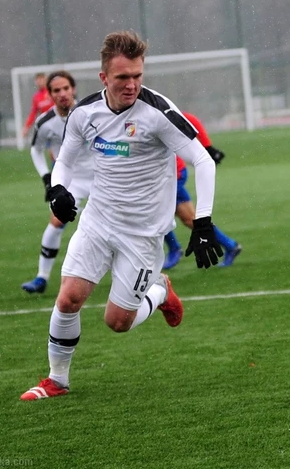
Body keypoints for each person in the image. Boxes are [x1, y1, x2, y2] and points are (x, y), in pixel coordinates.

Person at [21, 30, 222, 401]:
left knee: (117, 322)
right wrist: (59, 190)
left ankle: (160, 291)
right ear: (104, 78)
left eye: (137, 76)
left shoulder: (158, 112)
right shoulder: (84, 113)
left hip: (142, 235)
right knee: (68, 299)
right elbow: (65, 160)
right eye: (122, 77)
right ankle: (56, 380)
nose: (132, 85)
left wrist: (204, 222)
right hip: (98, 222)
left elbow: (203, 160)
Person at [21, 71, 94, 294]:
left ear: (73, 89)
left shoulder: (91, 112)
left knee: (122, 220)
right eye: (56, 90)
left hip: (102, 178)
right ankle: (41, 277)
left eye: (66, 88)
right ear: (49, 94)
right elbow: (36, 150)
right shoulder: (45, 122)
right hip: (71, 181)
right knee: (55, 223)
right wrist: (46, 177)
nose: (62, 94)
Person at [163, 111, 242, 270]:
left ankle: (174, 249)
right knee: (189, 219)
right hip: (160, 176)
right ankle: (230, 245)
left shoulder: (149, 106)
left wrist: (207, 147)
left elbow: (189, 118)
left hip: (170, 175)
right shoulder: (114, 115)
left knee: (153, 214)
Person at [22, 73, 54, 138]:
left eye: (41, 80)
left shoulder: (53, 91)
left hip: (57, 122)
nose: (39, 82)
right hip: (46, 124)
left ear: (46, 80)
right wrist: (26, 127)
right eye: (38, 80)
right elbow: (33, 113)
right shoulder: (36, 97)